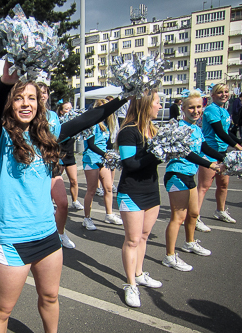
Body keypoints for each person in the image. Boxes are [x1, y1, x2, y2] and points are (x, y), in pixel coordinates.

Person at [0, 60, 128, 332]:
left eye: (32, 98)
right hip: (13, 239)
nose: (26, 104)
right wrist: (5, 83)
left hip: (48, 235)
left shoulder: (47, 136)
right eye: (18, 98)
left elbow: (89, 118)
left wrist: (125, 96)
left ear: (40, 103)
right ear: (10, 104)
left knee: (50, 297)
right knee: (2, 310)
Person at [162, 91, 225, 272]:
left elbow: (204, 147)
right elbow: (189, 153)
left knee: (194, 213)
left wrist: (223, 157)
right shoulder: (179, 127)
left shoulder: (197, 128)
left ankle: (189, 243)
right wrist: (212, 165)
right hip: (177, 174)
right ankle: (169, 256)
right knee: (178, 217)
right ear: (183, 109)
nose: (195, 111)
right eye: (191, 107)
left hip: (190, 175)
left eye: (198, 107)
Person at [116, 90, 163, 308]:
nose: (159, 107)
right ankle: (130, 283)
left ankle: (140, 273)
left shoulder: (152, 129)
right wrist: (157, 153)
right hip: (132, 191)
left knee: (144, 236)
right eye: (157, 103)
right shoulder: (128, 131)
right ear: (146, 104)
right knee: (132, 240)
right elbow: (130, 164)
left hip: (152, 190)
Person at [196, 84, 242, 227]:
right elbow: (219, 132)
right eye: (219, 92)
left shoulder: (224, 111)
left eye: (226, 92)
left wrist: (241, 141)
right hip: (210, 151)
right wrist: (239, 147)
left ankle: (220, 211)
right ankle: (195, 217)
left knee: (223, 184)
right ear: (212, 95)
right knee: (204, 187)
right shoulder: (211, 109)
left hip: (222, 152)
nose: (223, 94)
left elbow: (228, 132)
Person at [37, 82, 79, 250]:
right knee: (41, 204)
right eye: (39, 92)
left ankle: (60, 234)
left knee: (62, 203)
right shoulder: (28, 114)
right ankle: (40, 238)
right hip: (35, 166)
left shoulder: (53, 115)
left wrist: (58, 158)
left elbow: (57, 139)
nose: (42, 95)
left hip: (52, 163)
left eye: (45, 92)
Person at [81, 99, 123, 231]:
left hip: (102, 159)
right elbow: (91, 145)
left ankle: (109, 215)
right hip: (91, 159)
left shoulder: (106, 124)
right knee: (92, 190)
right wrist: (105, 155)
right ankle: (86, 218)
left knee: (108, 188)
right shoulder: (92, 124)